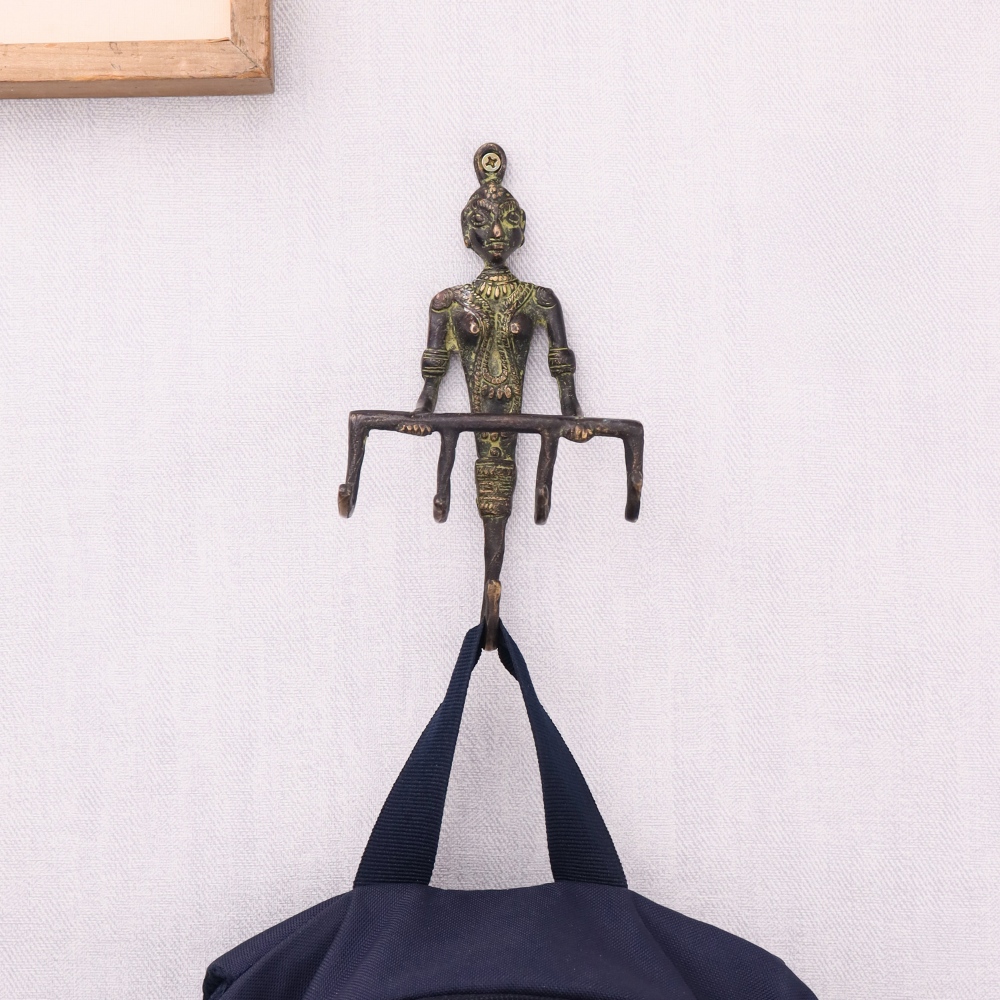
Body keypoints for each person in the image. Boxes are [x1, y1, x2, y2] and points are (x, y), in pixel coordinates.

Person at [414, 143, 582, 635]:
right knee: (490, 490)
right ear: (466, 232)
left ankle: (493, 584)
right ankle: (491, 584)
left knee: (499, 491)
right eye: (483, 221)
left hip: (510, 426)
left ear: (519, 229)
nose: (494, 233)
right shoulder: (447, 303)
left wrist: (570, 409)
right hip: (480, 427)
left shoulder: (539, 300)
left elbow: (560, 359)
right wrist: (424, 406)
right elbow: (434, 366)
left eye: (506, 221)